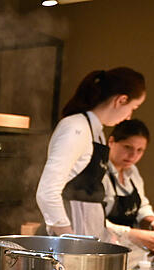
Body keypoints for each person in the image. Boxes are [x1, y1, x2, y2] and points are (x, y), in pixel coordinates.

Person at [36, 67, 146, 238]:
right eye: (133, 107)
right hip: (66, 241)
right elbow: (47, 193)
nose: (129, 116)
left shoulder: (97, 133)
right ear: (121, 100)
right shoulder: (76, 127)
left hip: (85, 237)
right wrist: (70, 240)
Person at [103, 119, 154, 256]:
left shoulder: (133, 172)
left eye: (140, 150)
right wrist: (131, 234)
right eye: (128, 147)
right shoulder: (99, 174)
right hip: (105, 249)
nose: (133, 155)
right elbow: (95, 223)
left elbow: (142, 206)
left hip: (130, 252)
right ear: (111, 141)